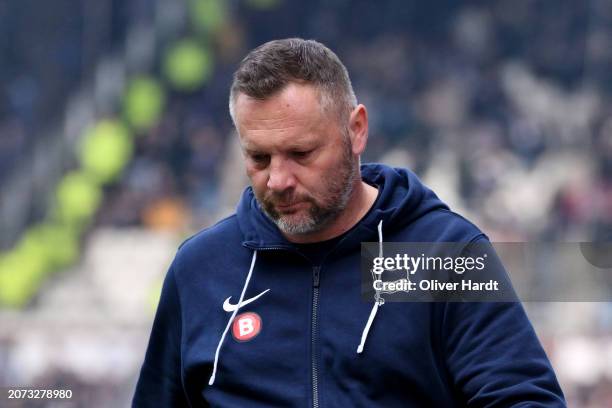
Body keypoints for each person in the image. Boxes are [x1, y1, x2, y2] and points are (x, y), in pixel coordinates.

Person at [133, 38, 565, 407]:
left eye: (301, 154)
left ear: (356, 130)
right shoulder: (199, 269)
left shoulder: (444, 257)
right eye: (259, 158)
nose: (278, 180)